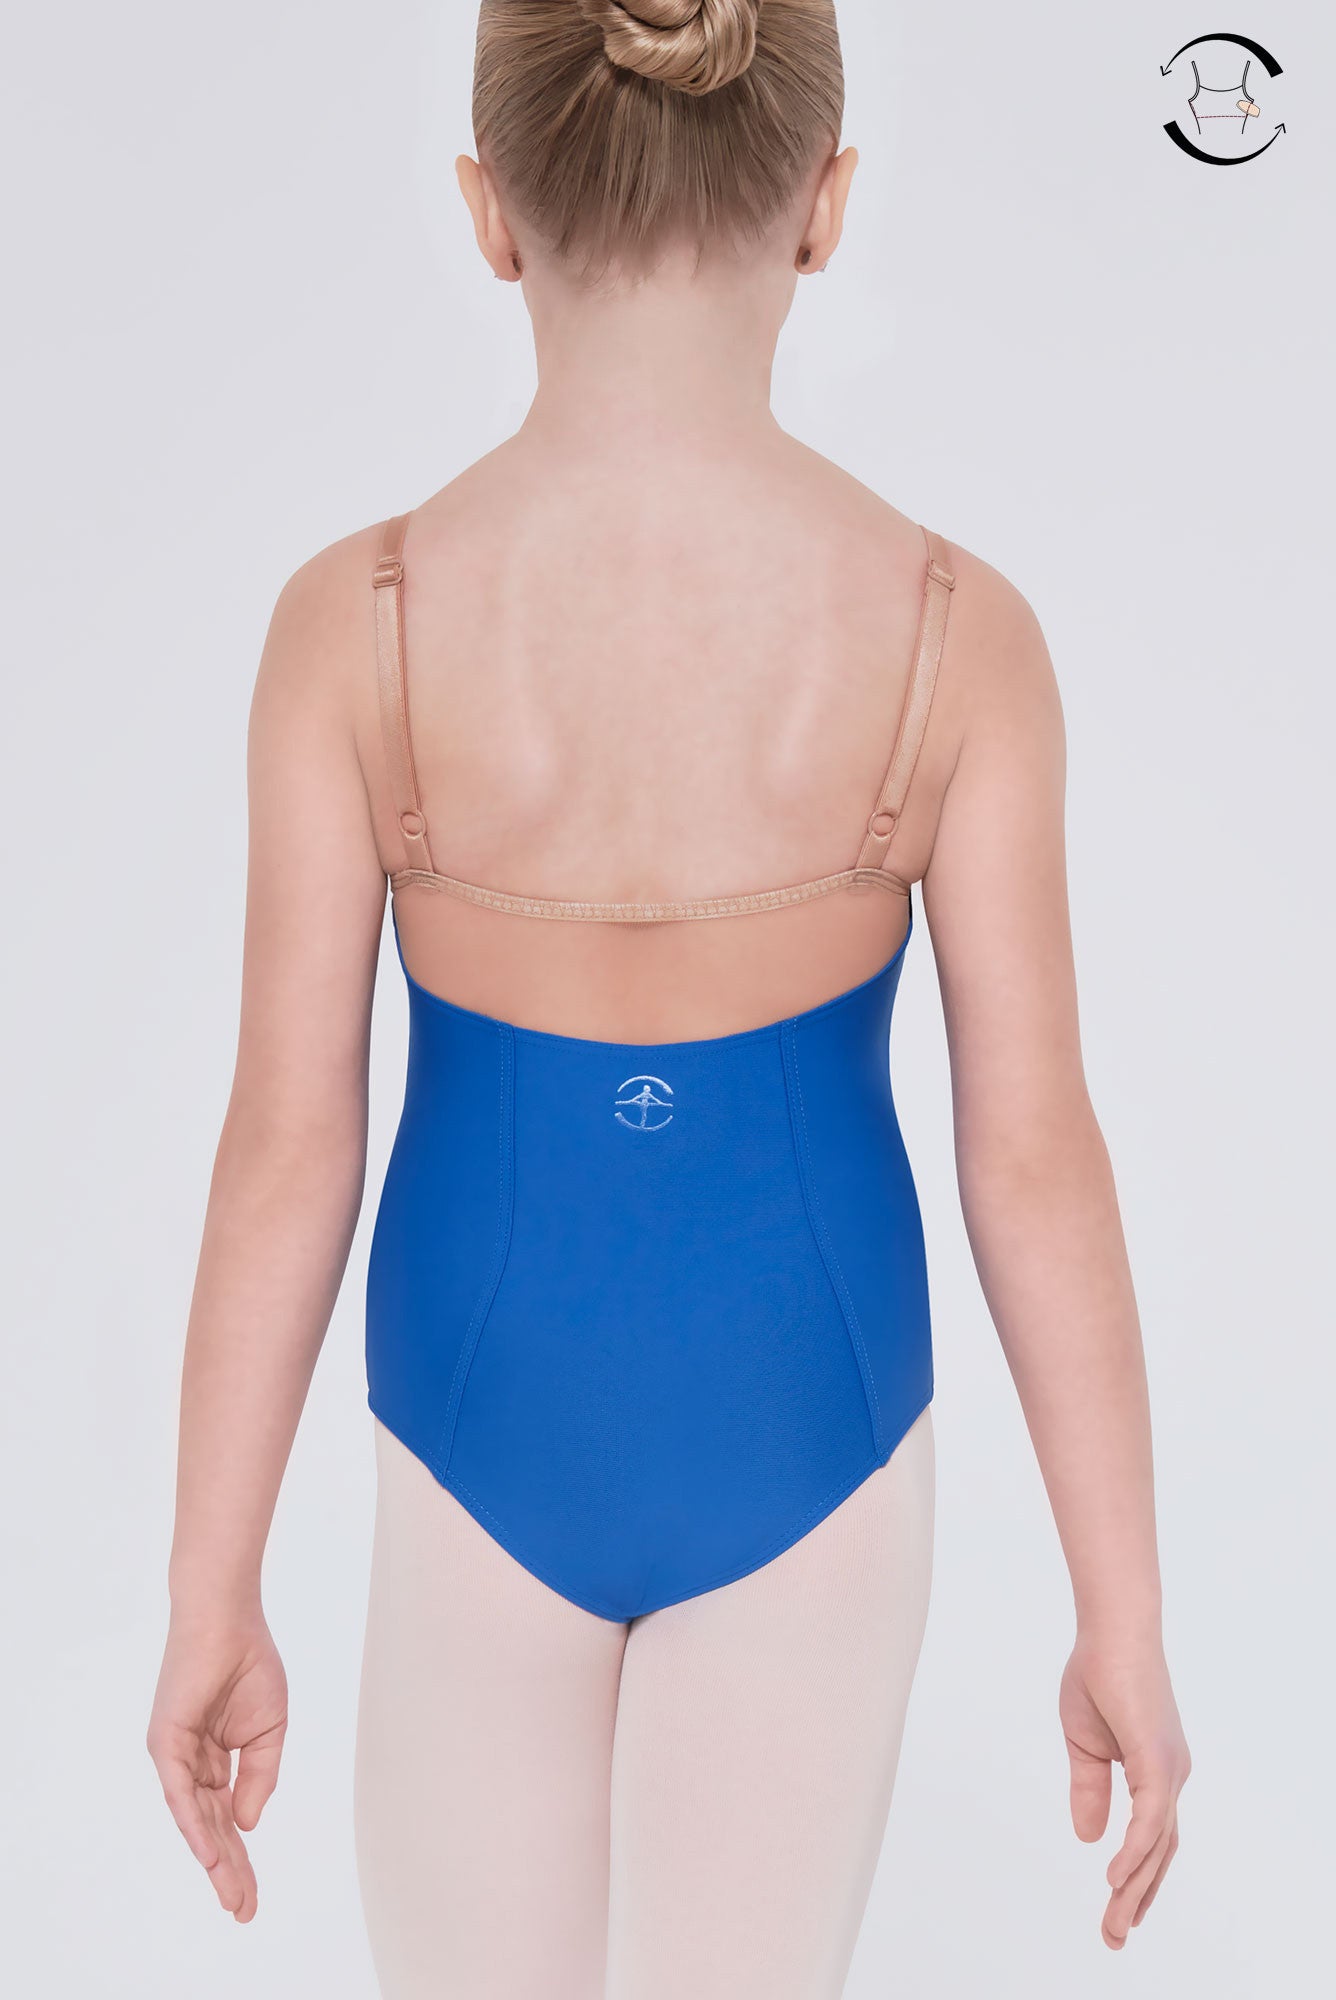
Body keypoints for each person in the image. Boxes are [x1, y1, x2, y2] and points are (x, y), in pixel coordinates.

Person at [147, 3, 1190, 1993]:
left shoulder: (353, 628)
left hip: (469, 1439)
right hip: (814, 1445)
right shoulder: (951, 638)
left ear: (488, 212)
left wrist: (211, 1585)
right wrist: (1120, 1613)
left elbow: (288, 1146)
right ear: (824, 204)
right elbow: (1033, 1158)